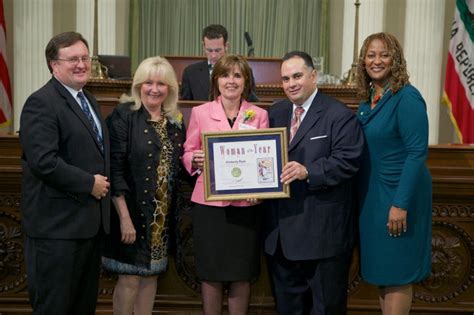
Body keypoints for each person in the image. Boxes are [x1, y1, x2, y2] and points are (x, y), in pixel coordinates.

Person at [264, 51, 364, 315]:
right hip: (281, 238)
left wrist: (308, 171)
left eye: (297, 76)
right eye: (285, 79)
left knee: (325, 308)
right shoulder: (275, 113)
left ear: (313, 76)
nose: (291, 83)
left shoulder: (339, 115)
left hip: (322, 237)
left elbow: (348, 161)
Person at [19, 31, 110, 314]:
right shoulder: (41, 103)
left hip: (87, 228)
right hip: (56, 231)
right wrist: (89, 184)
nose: (82, 64)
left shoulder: (89, 101)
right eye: (73, 59)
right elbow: (43, 162)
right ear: (54, 65)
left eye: (84, 57)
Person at [183, 54, 269, 314]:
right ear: (216, 80)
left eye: (237, 75)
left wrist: (262, 190)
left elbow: (265, 159)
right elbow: (187, 151)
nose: (230, 81)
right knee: (211, 273)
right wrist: (194, 160)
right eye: (225, 75)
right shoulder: (200, 112)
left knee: (241, 274)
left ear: (246, 81)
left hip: (246, 207)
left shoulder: (260, 115)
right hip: (210, 207)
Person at [102, 56, 185, 314]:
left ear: (169, 88)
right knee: (129, 280)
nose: (154, 89)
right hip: (130, 213)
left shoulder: (175, 121)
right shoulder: (124, 115)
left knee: (150, 278)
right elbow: (114, 169)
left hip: (161, 219)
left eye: (161, 83)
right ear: (138, 85)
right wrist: (124, 218)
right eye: (148, 82)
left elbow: (181, 164)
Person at [355, 32, 432, 315]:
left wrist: (400, 204)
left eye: (384, 54)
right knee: (383, 272)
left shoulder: (407, 97)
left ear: (395, 59)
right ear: (363, 61)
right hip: (373, 198)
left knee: (398, 273)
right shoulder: (368, 101)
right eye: (371, 55)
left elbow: (416, 153)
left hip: (400, 195)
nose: (377, 61)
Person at [180, 24, 258, 102]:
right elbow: (186, 106)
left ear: (226, 46)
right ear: (203, 46)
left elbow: (251, 102)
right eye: (209, 50)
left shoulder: (243, 70)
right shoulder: (190, 73)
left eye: (218, 50)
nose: (213, 55)